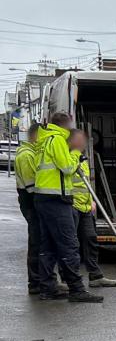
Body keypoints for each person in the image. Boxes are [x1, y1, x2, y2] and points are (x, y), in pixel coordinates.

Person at [34, 113, 103, 303]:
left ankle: (47, 288)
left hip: (44, 198)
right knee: (69, 245)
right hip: (57, 199)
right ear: (65, 125)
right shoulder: (57, 140)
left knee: (48, 246)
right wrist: (75, 154)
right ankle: (76, 289)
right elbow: (66, 167)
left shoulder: (44, 139)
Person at [68, 129, 116, 288]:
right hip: (72, 205)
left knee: (90, 239)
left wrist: (91, 201)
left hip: (85, 206)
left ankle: (95, 276)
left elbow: (85, 184)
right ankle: (71, 279)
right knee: (72, 244)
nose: (83, 144)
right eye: (79, 141)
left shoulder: (83, 159)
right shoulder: (68, 157)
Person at [16, 124, 42, 294]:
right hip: (31, 201)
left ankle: (37, 280)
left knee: (37, 241)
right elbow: (30, 184)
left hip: (30, 201)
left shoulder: (29, 152)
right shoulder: (26, 155)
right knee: (36, 242)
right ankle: (35, 282)